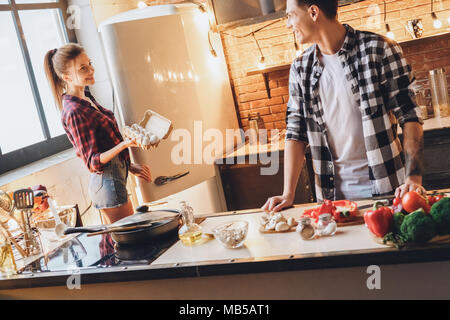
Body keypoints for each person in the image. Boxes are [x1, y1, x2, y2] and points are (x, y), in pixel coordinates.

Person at [262, 0, 425, 213]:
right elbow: (296, 132)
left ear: (313, 12)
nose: (287, 24)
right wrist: (288, 193)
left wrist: (413, 177)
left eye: (290, 15)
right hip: (331, 202)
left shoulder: (378, 50)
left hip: (387, 193)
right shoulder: (301, 68)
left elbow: (409, 115)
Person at [44, 43, 151, 224]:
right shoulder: (74, 111)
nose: (91, 70)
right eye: (83, 68)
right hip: (108, 186)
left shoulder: (86, 98)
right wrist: (125, 144)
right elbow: (93, 161)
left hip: (114, 180)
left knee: (122, 241)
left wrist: (130, 167)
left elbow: (105, 144)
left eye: (90, 64)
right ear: (66, 77)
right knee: (129, 243)